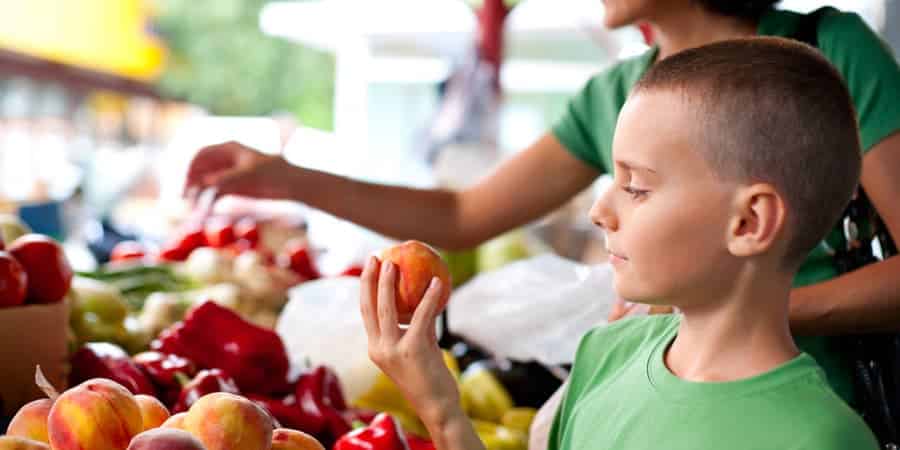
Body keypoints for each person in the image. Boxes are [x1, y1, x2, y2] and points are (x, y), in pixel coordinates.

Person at [185, 1, 900, 405]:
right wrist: (290, 179)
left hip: (809, 401)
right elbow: (463, 217)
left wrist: (743, 311)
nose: (605, 210)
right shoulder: (615, 93)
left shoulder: (830, 50)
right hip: (656, 393)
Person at [359, 37, 878, 450]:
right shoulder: (605, 354)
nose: (599, 210)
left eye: (637, 187)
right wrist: (441, 407)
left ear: (748, 222)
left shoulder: (820, 439)